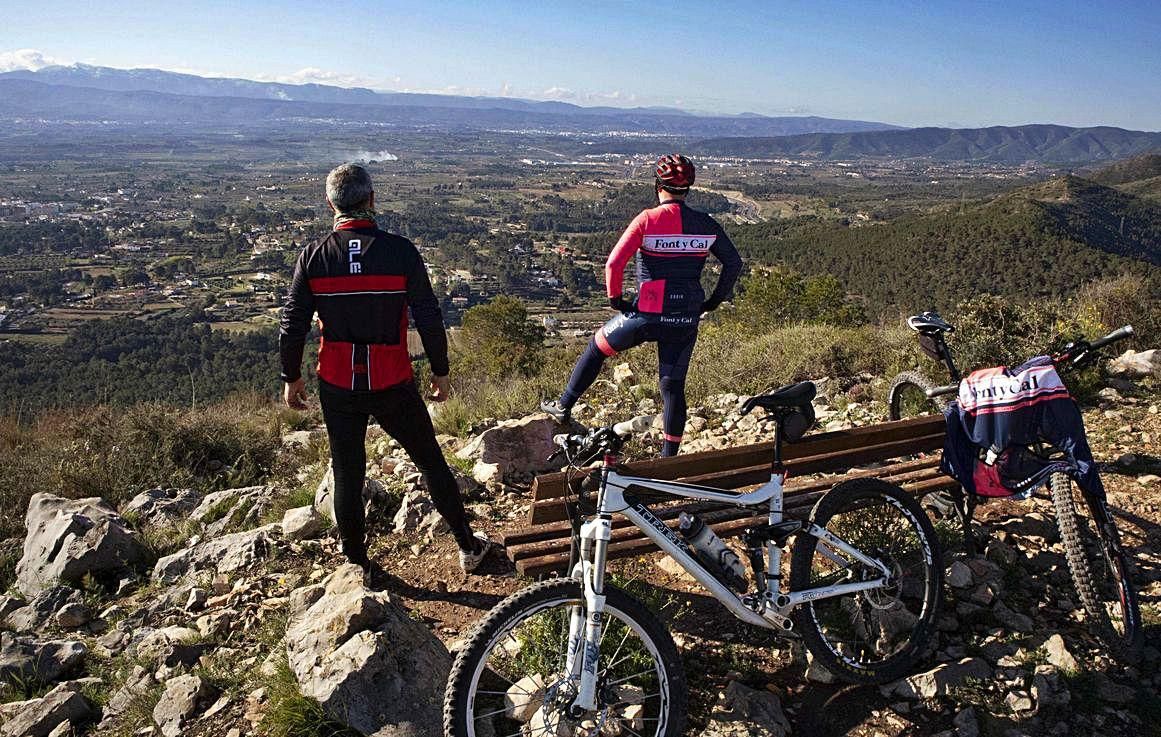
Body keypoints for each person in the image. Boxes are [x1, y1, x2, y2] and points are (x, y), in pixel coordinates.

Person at [280, 163, 491, 575]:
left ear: (330, 204)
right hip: (392, 379)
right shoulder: (400, 252)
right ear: (372, 199)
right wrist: (441, 370)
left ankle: (358, 565)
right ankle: (468, 546)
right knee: (430, 461)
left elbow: (293, 323)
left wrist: (291, 376)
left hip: (338, 382)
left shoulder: (314, 257)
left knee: (347, 472)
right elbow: (428, 315)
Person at [541, 154, 743, 456]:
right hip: (686, 317)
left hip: (646, 313)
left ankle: (564, 405)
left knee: (598, 348)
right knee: (672, 387)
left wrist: (616, 299)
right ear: (689, 188)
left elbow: (614, 263)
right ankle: (667, 459)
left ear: (657, 185)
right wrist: (714, 300)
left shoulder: (647, 219)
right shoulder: (706, 224)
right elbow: (734, 263)